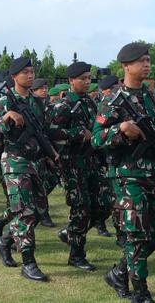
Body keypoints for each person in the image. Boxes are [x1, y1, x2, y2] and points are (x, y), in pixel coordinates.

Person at [94, 43, 155, 302]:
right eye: (141, 61)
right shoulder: (113, 100)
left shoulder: (152, 98)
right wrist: (120, 129)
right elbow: (96, 139)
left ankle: (119, 272)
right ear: (126, 66)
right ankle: (140, 291)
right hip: (127, 175)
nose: (147, 64)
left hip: (154, 173)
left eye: (148, 60)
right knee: (137, 234)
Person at [0, 57, 51, 282]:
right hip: (14, 161)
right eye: (25, 72)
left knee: (40, 208)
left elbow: (44, 130)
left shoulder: (37, 101)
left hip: (35, 161)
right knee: (24, 211)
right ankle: (29, 263)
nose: (30, 76)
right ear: (14, 76)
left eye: (32, 71)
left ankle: (4, 242)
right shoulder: (4, 101)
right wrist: (5, 118)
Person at [49, 61, 98, 271]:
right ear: (71, 81)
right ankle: (76, 255)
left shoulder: (90, 103)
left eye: (89, 78)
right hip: (71, 165)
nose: (87, 82)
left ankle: (70, 233)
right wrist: (78, 135)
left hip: (91, 163)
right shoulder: (63, 105)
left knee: (103, 203)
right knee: (81, 209)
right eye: (83, 78)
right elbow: (52, 133)